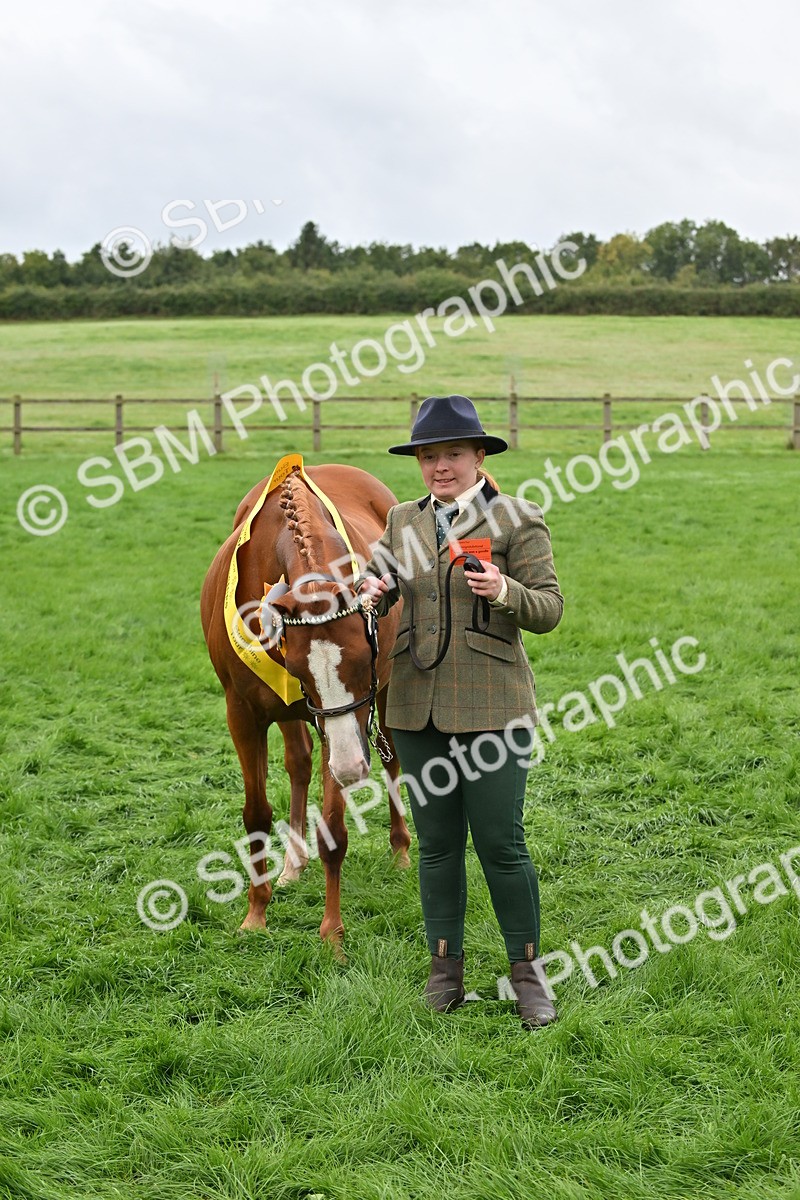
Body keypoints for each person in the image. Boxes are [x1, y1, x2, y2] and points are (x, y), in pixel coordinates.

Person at [356, 394, 564, 1030]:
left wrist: (505, 590)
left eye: (451, 454)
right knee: (438, 847)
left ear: (479, 456)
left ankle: (527, 974)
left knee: (502, 844)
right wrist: (371, 589)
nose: (438, 467)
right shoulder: (400, 522)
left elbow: (550, 609)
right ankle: (444, 970)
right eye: (427, 456)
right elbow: (383, 580)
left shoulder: (516, 520)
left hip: (494, 707)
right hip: (415, 706)